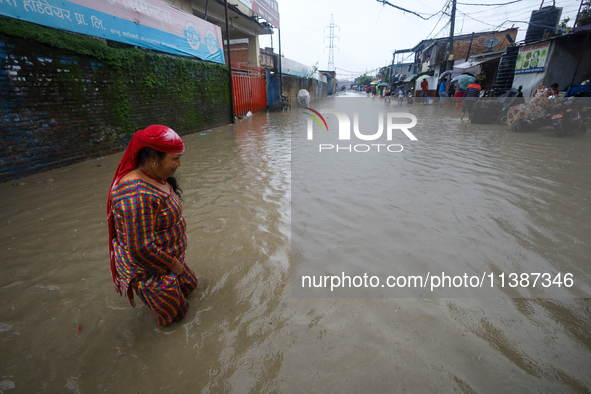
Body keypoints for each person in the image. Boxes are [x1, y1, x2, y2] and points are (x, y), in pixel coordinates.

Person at [107, 125, 198, 326]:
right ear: (154, 159)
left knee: (191, 286)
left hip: (168, 258)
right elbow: (141, 248)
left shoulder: (157, 177)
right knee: (176, 314)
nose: (179, 164)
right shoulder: (135, 195)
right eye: (175, 159)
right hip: (148, 267)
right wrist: (174, 266)